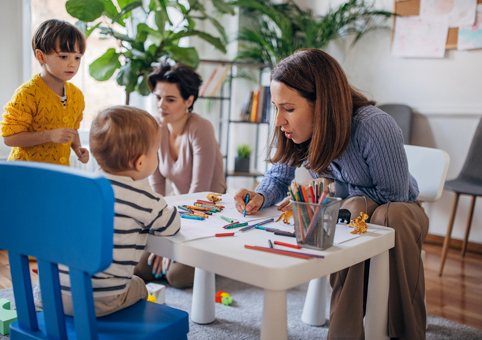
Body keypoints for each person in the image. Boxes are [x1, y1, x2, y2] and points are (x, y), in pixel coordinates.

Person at [233, 49, 428, 340]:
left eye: (288, 108)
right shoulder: (295, 133)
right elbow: (278, 177)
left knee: (376, 210)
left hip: (400, 213)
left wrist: (330, 190)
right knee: (353, 207)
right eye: (276, 107)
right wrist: (260, 196)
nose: (278, 121)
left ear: (322, 103)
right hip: (354, 215)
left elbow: (395, 195)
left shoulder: (373, 125)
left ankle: (405, 333)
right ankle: (345, 333)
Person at [34, 105, 181, 317]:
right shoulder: (143, 198)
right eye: (155, 152)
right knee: (139, 284)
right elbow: (171, 225)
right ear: (140, 162)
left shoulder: (80, 187)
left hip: (49, 294)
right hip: (96, 302)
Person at [134, 62, 226, 288]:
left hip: (208, 213)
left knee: (176, 277)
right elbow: (158, 191)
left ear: (189, 101)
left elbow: (199, 193)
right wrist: (163, 238)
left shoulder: (201, 128)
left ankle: (222, 263)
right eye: (158, 98)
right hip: (179, 213)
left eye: (170, 99)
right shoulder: (157, 127)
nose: (161, 105)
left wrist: (171, 242)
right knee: (141, 269)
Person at [1, 19, 89, 166]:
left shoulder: (76, 95)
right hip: (26, 174)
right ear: (41, 56)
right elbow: (9, 138)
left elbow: (72, 130)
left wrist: (78, 148)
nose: (73, 63)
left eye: (77, 57)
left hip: (58, 174)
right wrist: (49, 135)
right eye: (63, 56)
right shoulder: (27, 94)